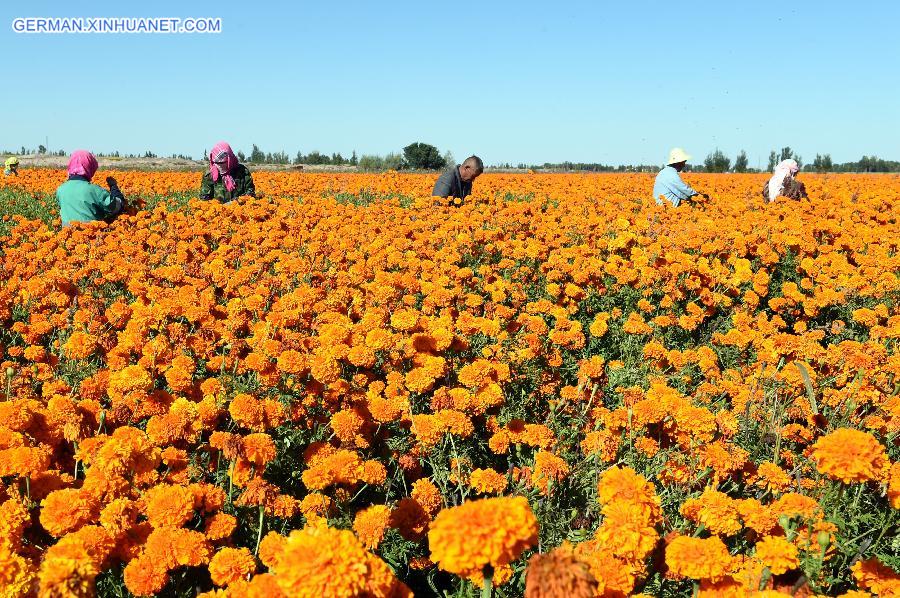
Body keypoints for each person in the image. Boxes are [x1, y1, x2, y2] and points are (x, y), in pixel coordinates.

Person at [56, 151, 126, 226]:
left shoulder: (60, 190)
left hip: (68, 235)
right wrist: (113, 186)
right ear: (90, 167)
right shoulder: (94, 190)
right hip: (91, 234)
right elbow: (116, 206)